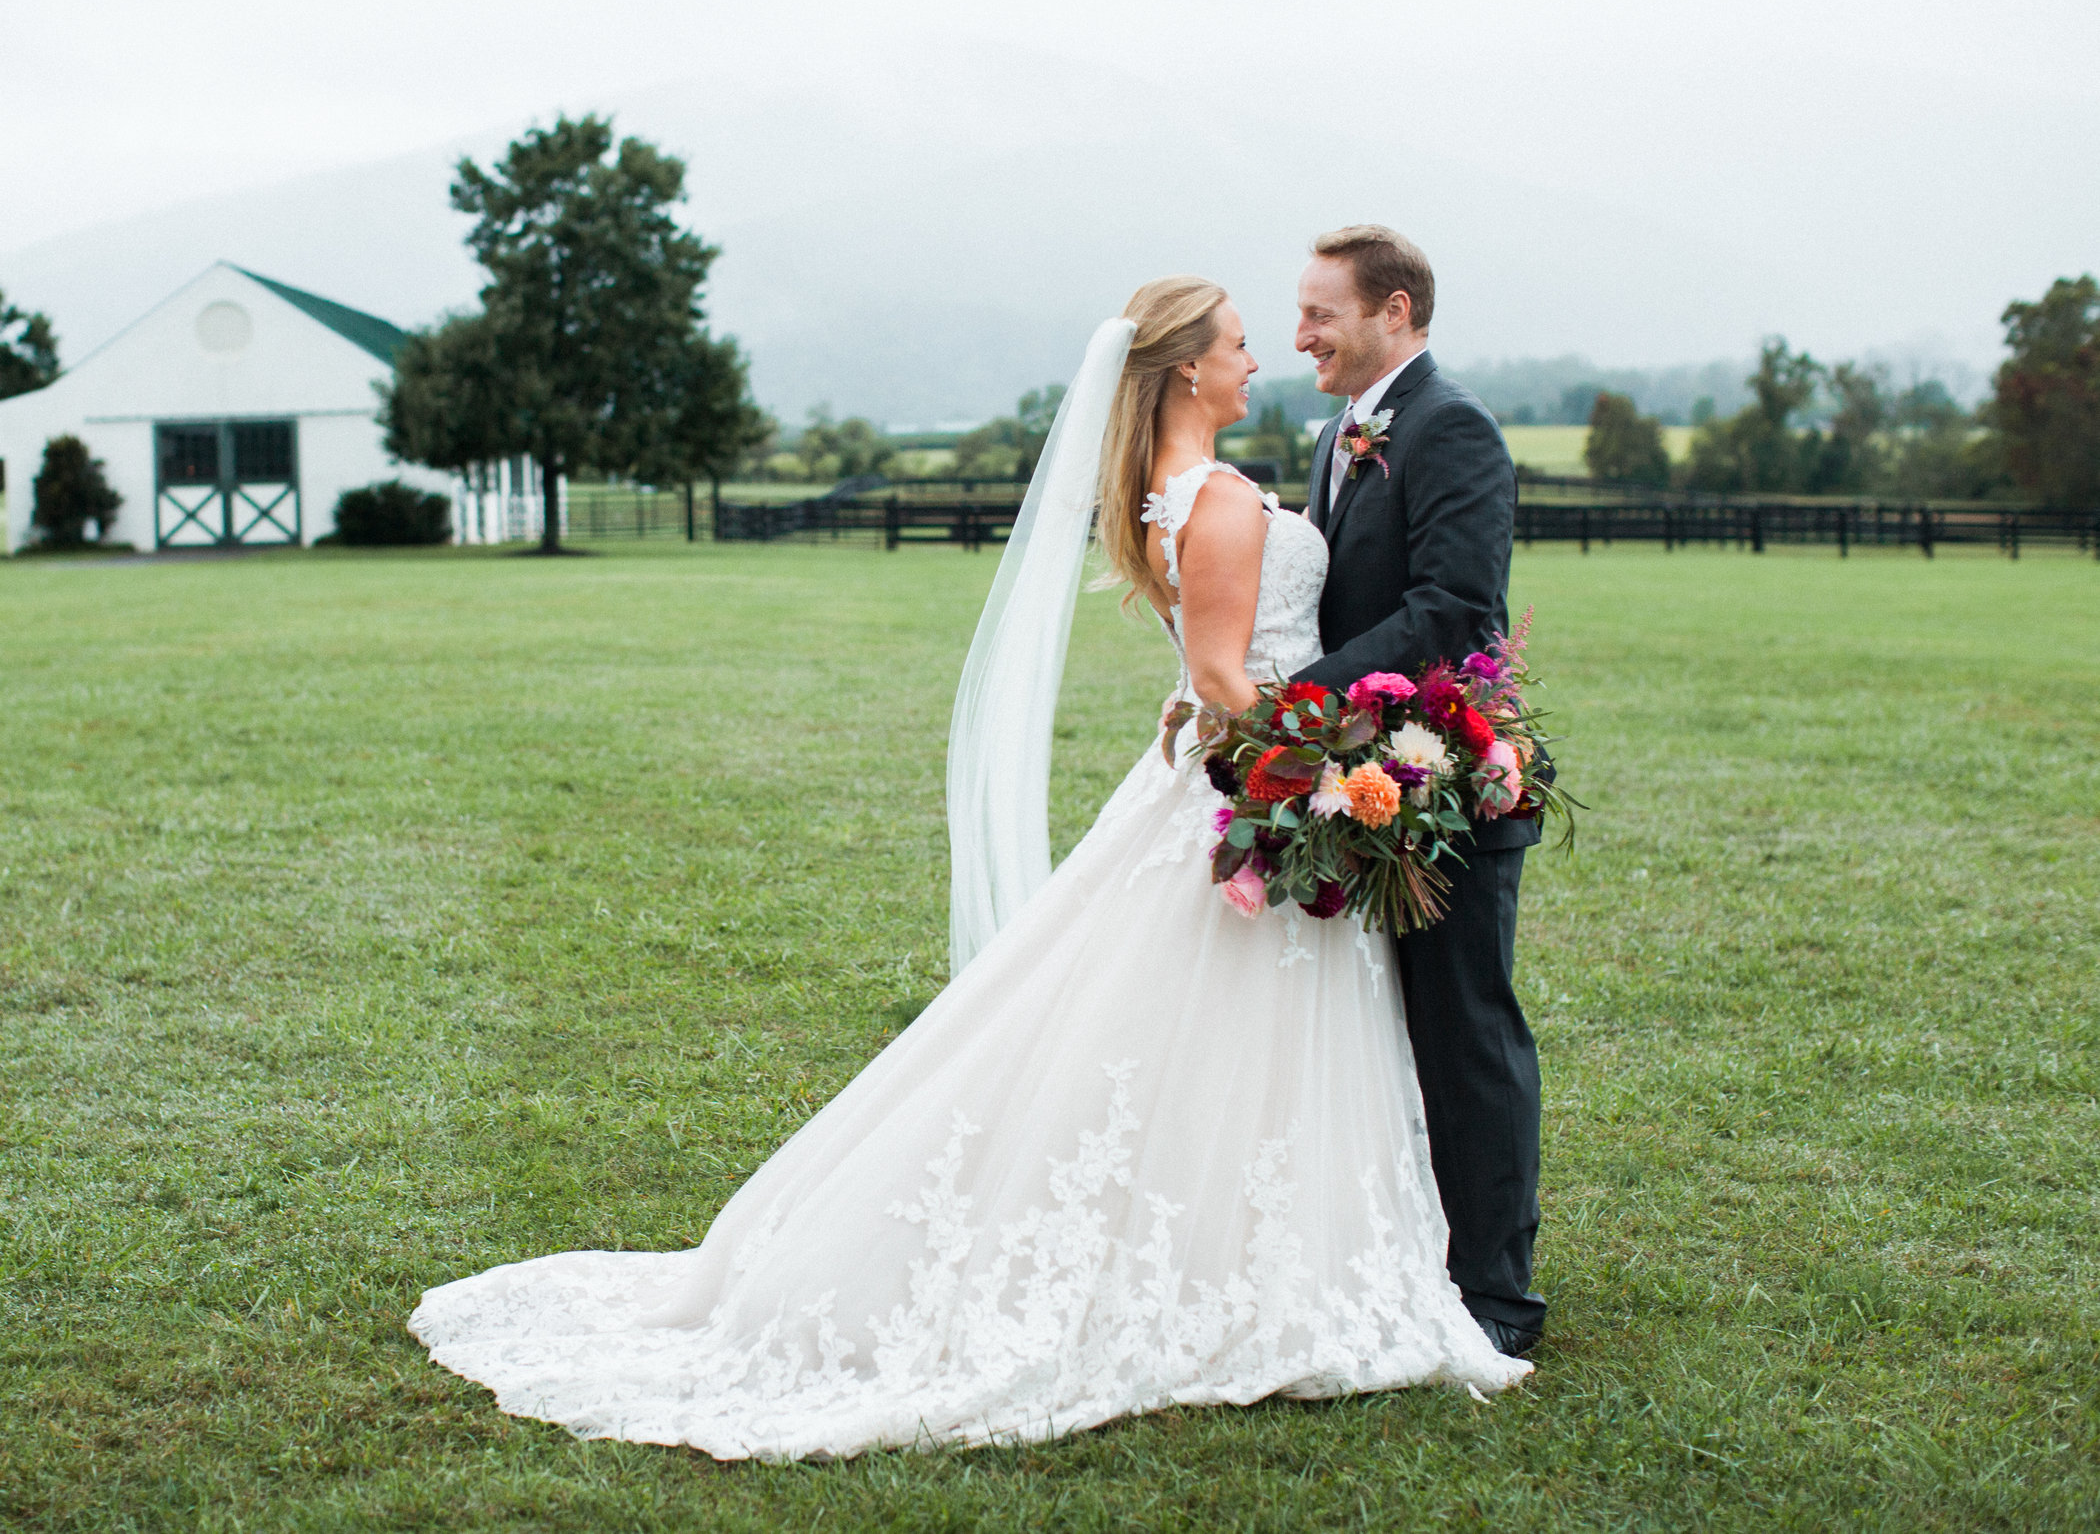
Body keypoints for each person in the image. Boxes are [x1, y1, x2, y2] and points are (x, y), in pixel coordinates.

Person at [408, 274, 1528, 1462]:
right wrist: (1325, 769)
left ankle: (1257, 1250)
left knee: (1153, 1037)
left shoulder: (1178, 494)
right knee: (1184, 1036)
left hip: (1227, 779)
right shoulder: (1223, 501)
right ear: (1187, 369)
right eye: (1242, 344)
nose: (1262, 358)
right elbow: (1219, 676)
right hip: (1255, 780)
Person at [1291, 226, 1547, 1360]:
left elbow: (1451, 608)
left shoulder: (1453, 428)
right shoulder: (1341, 432)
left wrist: (1295, 694)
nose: (1302, 334)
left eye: (1320, 313)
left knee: (1463, 1028)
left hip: (1442, 779)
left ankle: (1496, 1293)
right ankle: (1411, 1252)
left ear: (1393, 311)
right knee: (1385, 1029)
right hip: (1365, 777)